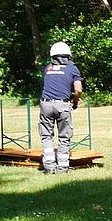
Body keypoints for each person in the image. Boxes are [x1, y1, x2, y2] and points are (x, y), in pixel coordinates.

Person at [39, 41, 83, 174]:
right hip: (62, 105)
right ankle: (63, 167)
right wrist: (74, 101)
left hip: (45, 104)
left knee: (47, 136)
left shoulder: (47, 68)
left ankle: (49, 166)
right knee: (64, 136)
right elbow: (78, 90)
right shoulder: (72, 68)